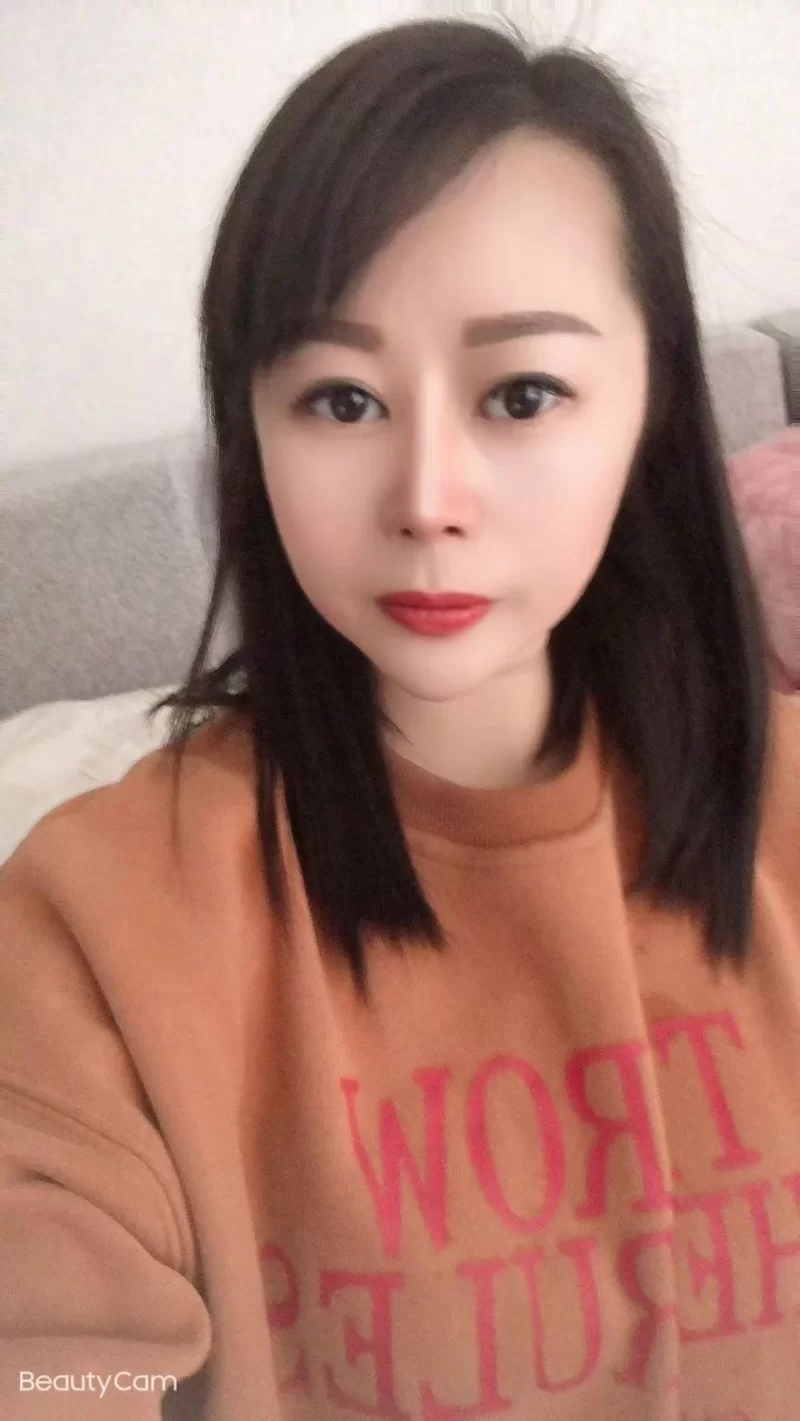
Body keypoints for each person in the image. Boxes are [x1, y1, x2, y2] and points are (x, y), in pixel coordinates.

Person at [0, 16, 797, 1421]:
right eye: (342, 398)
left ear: (652, 405)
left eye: (523, 394)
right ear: (253, 430)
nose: (427, 497)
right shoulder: (98, 916)